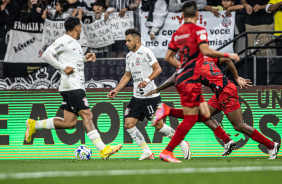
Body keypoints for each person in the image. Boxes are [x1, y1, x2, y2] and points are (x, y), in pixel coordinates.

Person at [25, 16, 122, 160]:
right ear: (77, 26)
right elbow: (47, 54)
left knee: (68, 123)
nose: (81, 30)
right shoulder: (64, 40)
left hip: (71, 86)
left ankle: (34, 124)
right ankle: (103, 149)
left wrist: (84, 58)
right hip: (72, 86)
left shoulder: (73, 43)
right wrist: (63, 67)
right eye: (80, 27)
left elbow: (71, 61)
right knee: (87, 116)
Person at [150, 56, 280, 160]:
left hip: (226, 92)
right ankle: (227, 141)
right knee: (203, 116)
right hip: (221, 91)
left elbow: (174, 78)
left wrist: (157, 89)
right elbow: (228, 60)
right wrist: (236, 78)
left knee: (239, 126)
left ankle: (271, 145)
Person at [157, 1, 240, 163]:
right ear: (197, 15)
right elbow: (205, 50)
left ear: (181, 16)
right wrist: (230, 55)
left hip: (184, 78)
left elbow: (167, 58)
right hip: (191, 80)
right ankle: (167, 117)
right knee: (191, 116)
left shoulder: (178, 33)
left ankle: (227, 141)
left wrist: (183, 68)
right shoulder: (199, 30)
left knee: (201, 114)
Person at [107, 28, 191, 160]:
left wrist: (146, 80)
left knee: (158, 126)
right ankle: (146, 151)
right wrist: (116, 89)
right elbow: (127, 75)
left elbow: (158, 69)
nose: (126, 43)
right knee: (129, 124)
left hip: (150, 97)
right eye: (126, 41)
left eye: (128, 41)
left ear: (137, 40)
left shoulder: (146, 52)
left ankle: (182, 143)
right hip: (137, 97)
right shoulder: (129, 56)